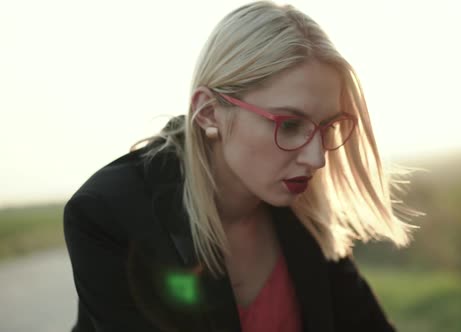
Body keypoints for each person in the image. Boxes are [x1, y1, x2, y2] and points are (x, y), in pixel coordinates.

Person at [63, 1, 417, 331]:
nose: (317, 158)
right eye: (289, 125)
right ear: (208, 113)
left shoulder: (306, 216)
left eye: (329, 127)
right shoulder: (108, 213)